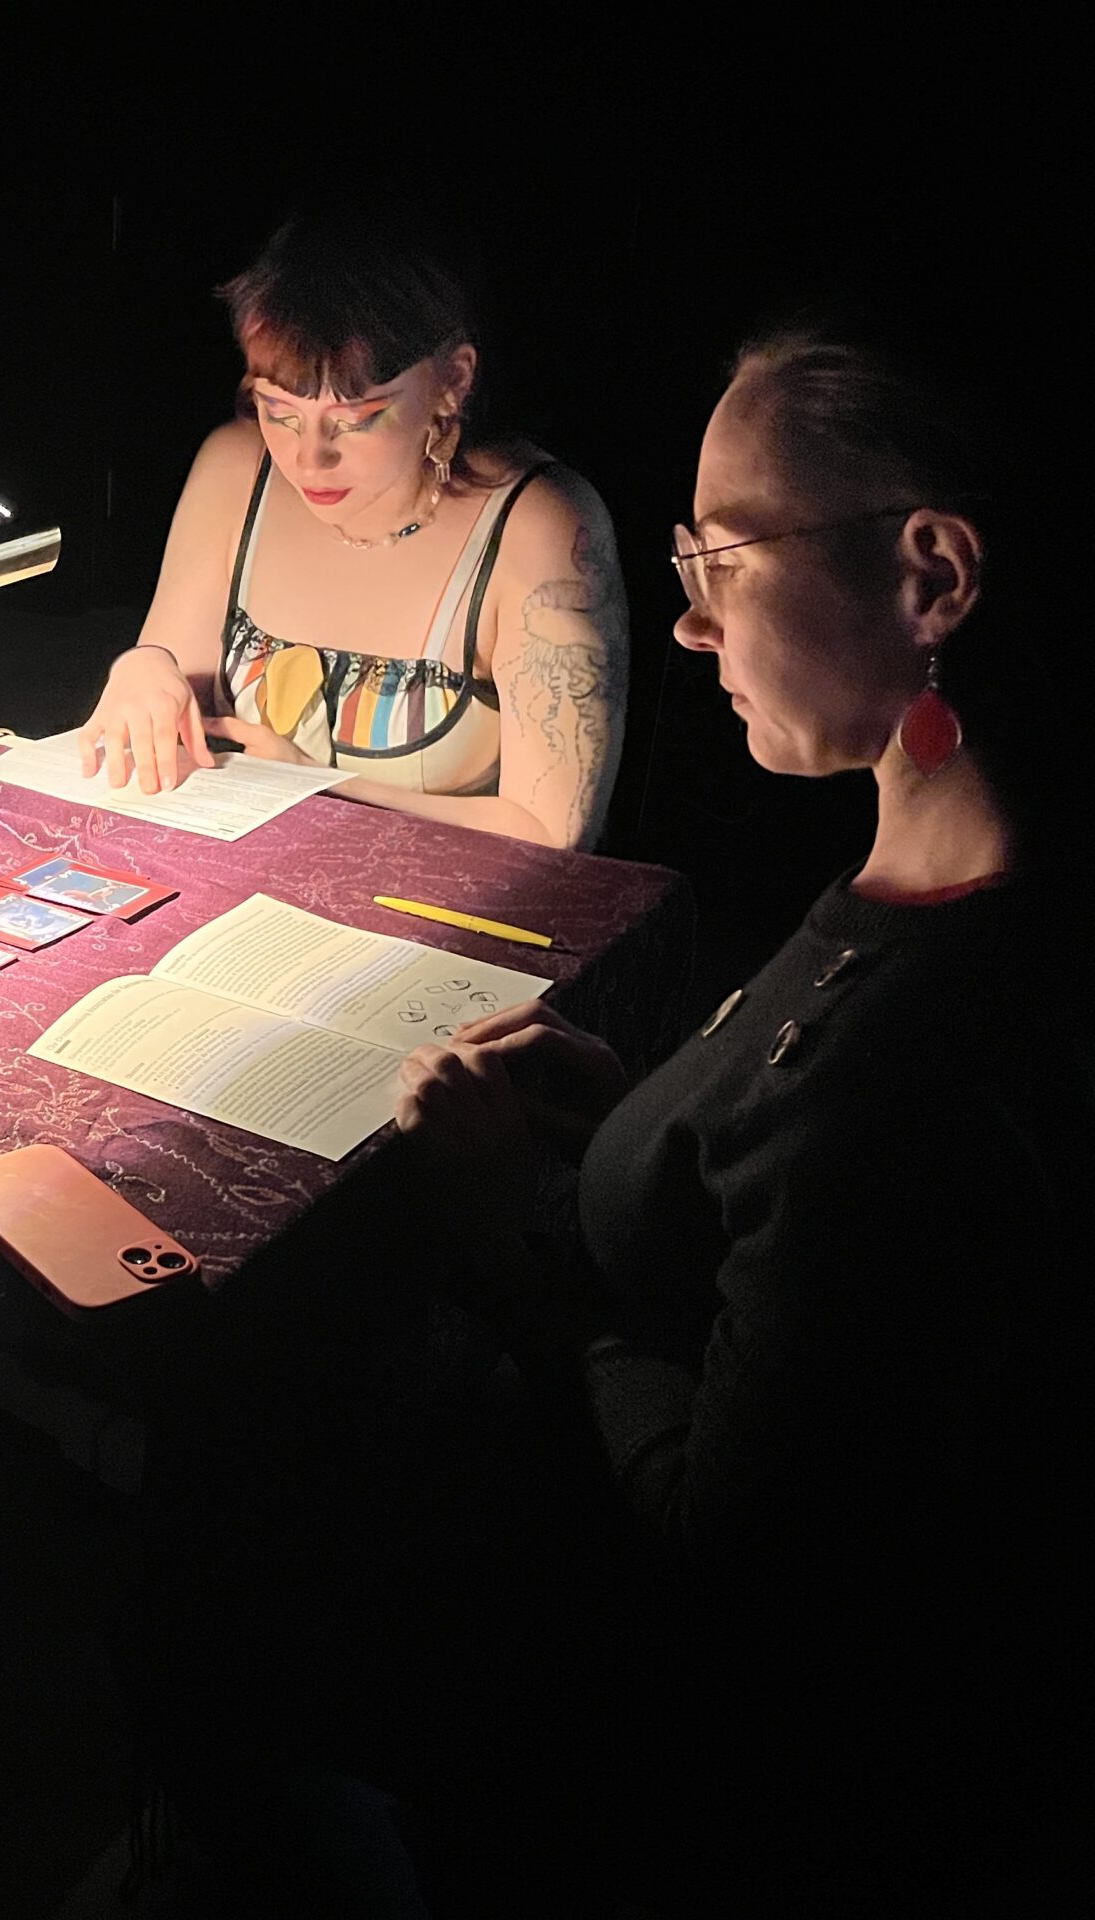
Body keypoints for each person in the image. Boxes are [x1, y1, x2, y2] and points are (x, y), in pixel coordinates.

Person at [386, 323, 1084, 1904]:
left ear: (934, 578)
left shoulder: (940, 1059)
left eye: (726, 552)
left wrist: (514, 1261)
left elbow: (725, 1546)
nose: (692, 626)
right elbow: (806, 1221)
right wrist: (654, 1123)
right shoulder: (929, 869)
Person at [78, 209, 626, 849]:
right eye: (279, 411)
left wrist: (310, 790)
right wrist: (143, 672)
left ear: (452, 380)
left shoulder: (539, 528)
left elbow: (556, 837)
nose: (309, 458)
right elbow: (176, 708)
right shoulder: (235, 469)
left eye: (356, 418)